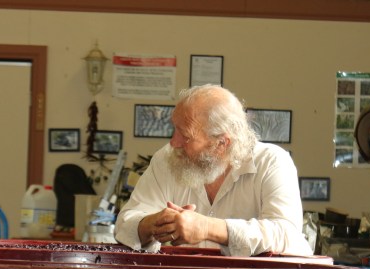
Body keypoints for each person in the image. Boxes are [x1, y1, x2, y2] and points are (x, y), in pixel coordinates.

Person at [115, 85, 312, 256]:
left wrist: (207, 227)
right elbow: (125, 224)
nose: (173, 143)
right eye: (174, 128)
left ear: (221, 143)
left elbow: (286, 234)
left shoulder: (271, 162)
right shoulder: (166, 159)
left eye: (185, 135)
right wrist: (155, 223)